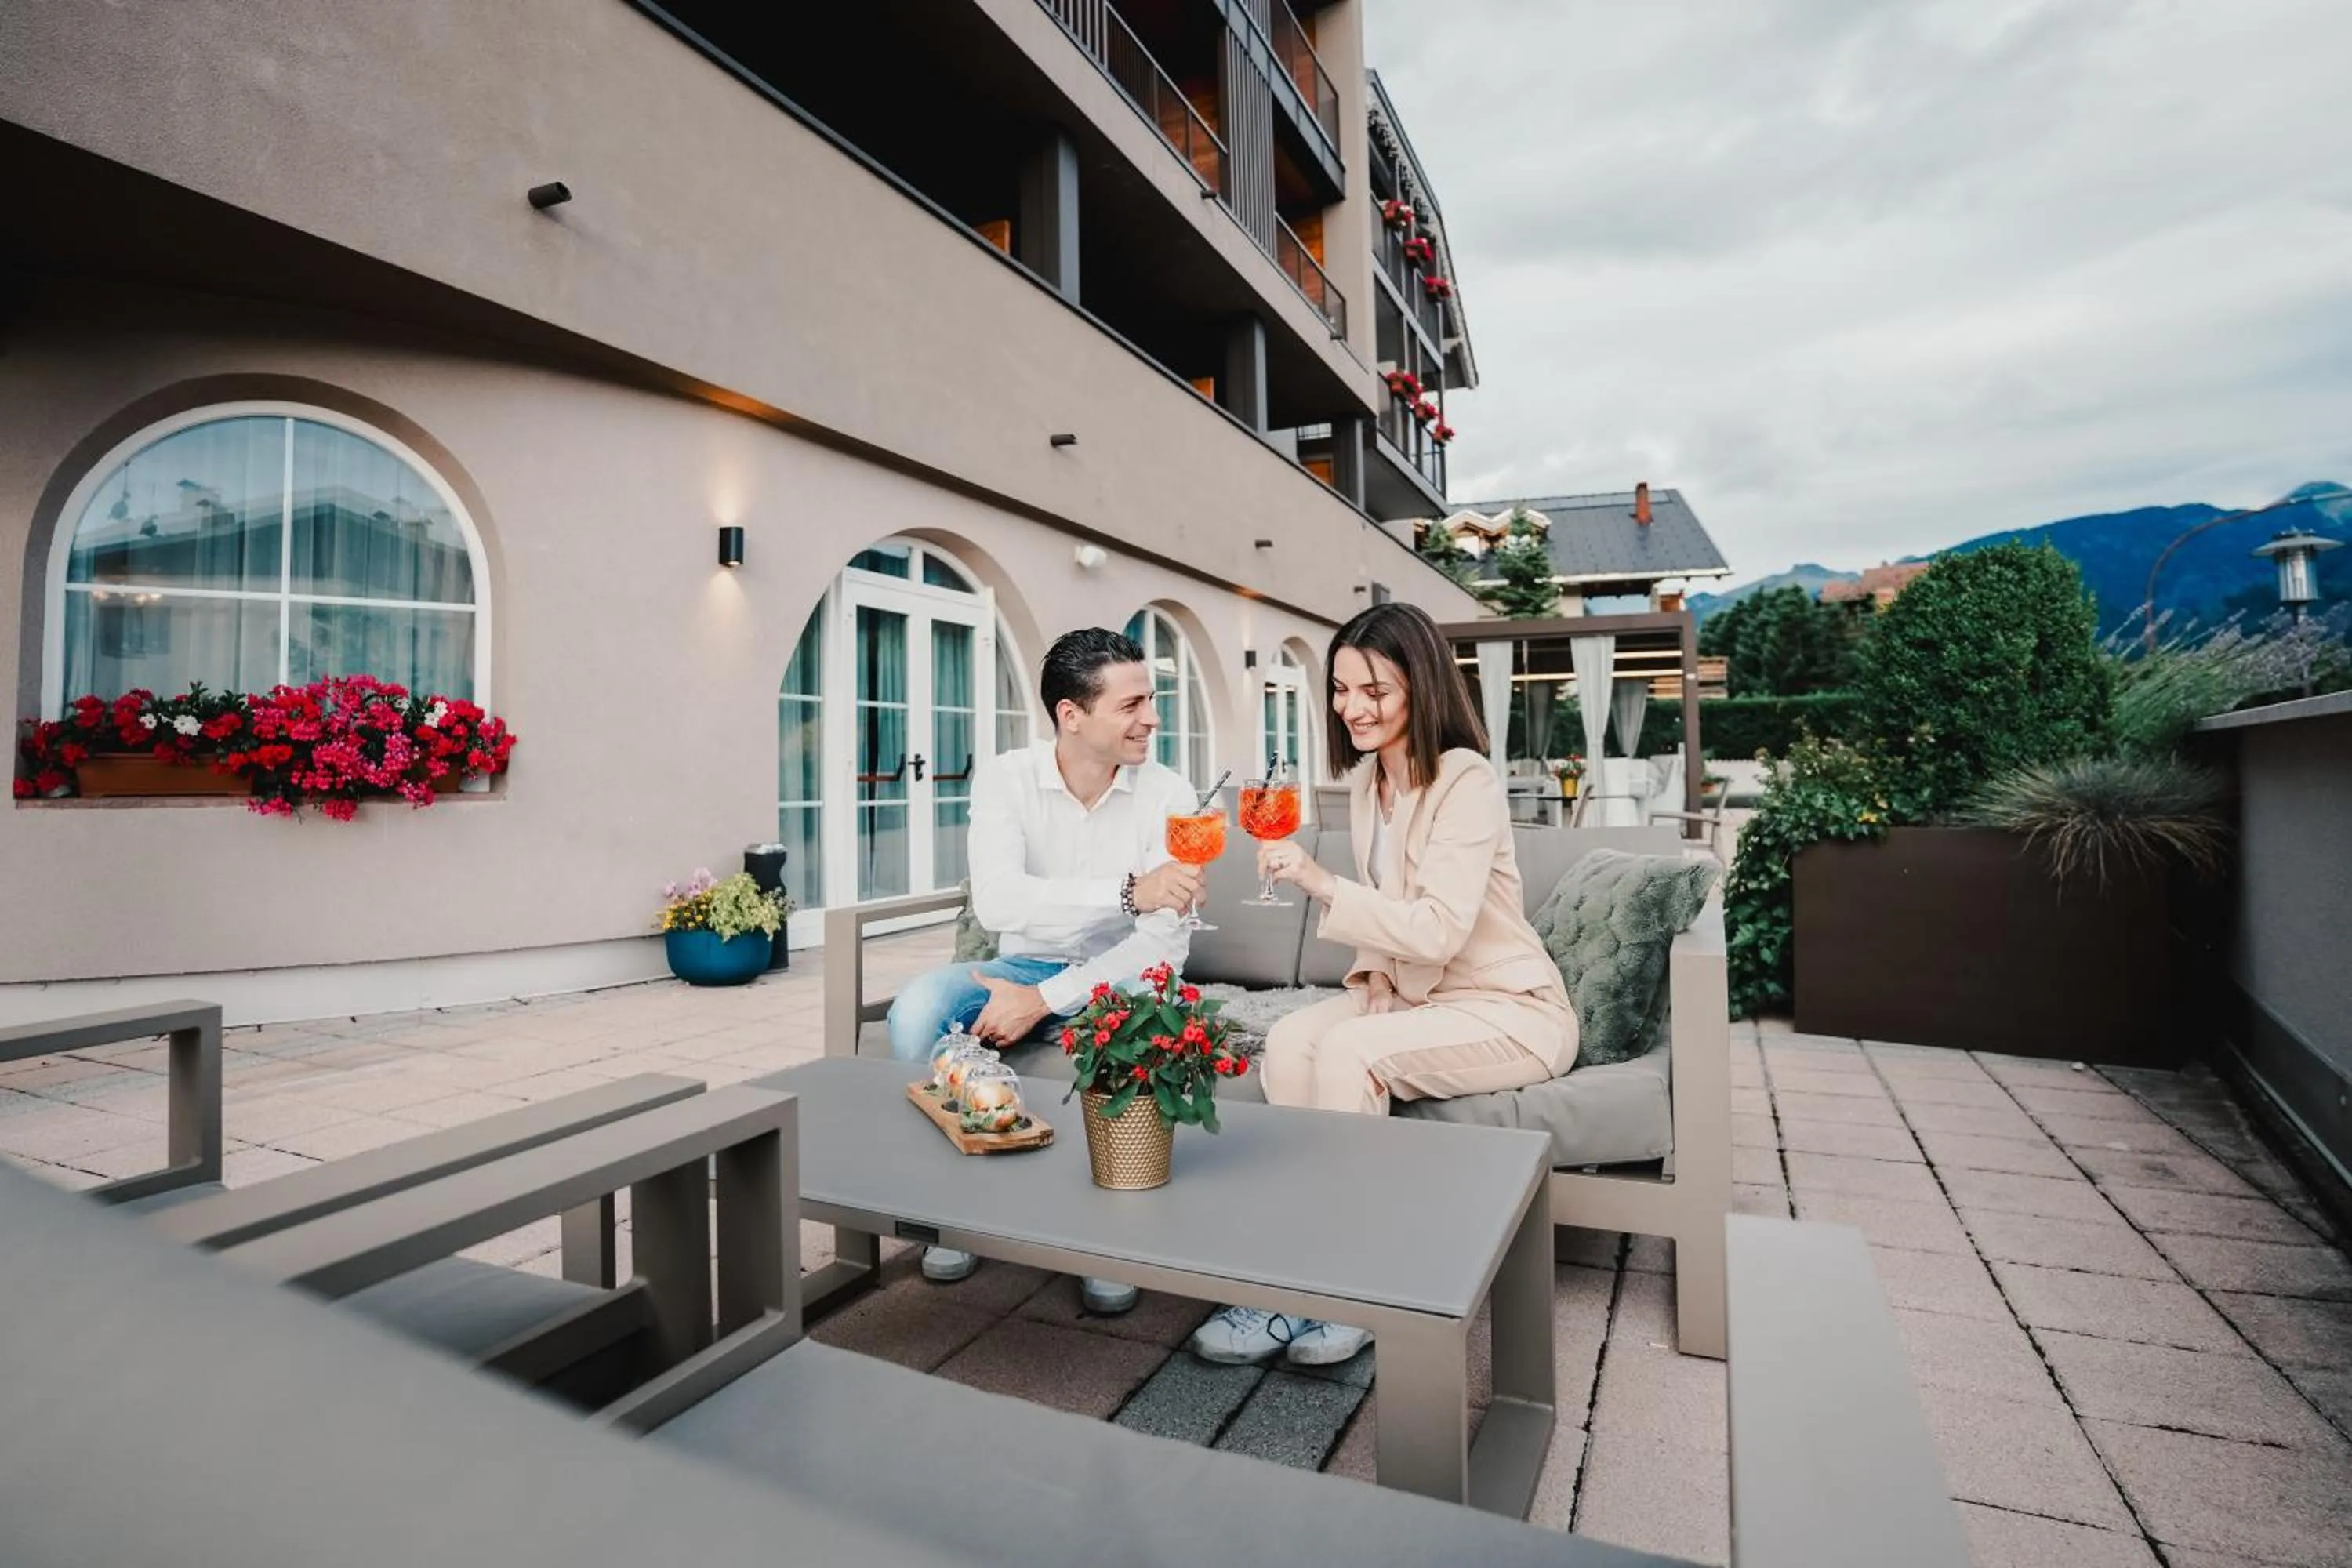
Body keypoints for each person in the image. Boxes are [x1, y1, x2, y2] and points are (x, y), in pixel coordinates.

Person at [1189, 601, 1577, 1367]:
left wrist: (1320, 882)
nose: (1353, 708)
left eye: (1375, 690)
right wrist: (1371, 975)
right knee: (1296, 1036)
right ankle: (1293, 1270)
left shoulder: (1465, 780)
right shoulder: (1372, 782)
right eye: (1341, 689)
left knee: (1352, 1053)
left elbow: (1437, 925)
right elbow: (1393, 915)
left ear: (1420, 688)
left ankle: (1360, 1286)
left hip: (1511, 1008)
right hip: (1424, 999)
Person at [887, 626, 1207, 1312]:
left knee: (1134, 1034)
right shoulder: (1008, 778)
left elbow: (1160, 947)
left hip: (1121, 978)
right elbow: (1000, 900)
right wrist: (1127, 891)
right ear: (1071, 714)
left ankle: (1103, 1236)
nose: (1152, 718)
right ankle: (954, 1210)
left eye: (1150, 699)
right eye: (1131, 705)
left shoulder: (1170, 791)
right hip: (1019, 959)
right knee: (916, 1011)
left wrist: (1044, 999)